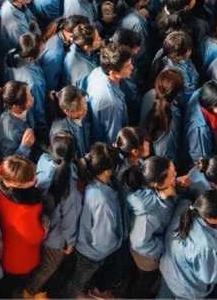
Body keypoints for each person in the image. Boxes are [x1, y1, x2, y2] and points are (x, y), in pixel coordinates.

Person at [66, 143, 124, 297]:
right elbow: (104, 239)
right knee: (78, 281)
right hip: (91, 253)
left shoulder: (89, 179)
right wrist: (117, 243)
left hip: (85, 246)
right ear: (107, 171)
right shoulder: (102, 199)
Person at [158, 189, 217, 298]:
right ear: (211, 219)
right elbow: (211, 276)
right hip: (185, 289)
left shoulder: (184, 208)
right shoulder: (206, 246)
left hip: (168, 273)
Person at [0, 155, 46, 297]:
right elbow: (36, 237)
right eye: (31, 179)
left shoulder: (1, 173)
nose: (35, 179)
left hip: (4, 252)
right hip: (18, 260)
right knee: (12, 287)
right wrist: (46, 224)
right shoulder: (24, 212)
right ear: (17, 184)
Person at [124, 156, 177, 298]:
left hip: (149, 248)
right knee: (145, 281)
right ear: (157, 184)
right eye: (172, 175)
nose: (176, 176)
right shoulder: (148, 214)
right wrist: (164, 246)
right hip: (146, 256)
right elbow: (139, 242)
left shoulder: (149, 182)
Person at [86, 43, 132, 144]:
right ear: (113, 73)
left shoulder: (97, 71)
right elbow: (114, 140)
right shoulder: (112, 104)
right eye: (127, 66)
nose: (132, 67)